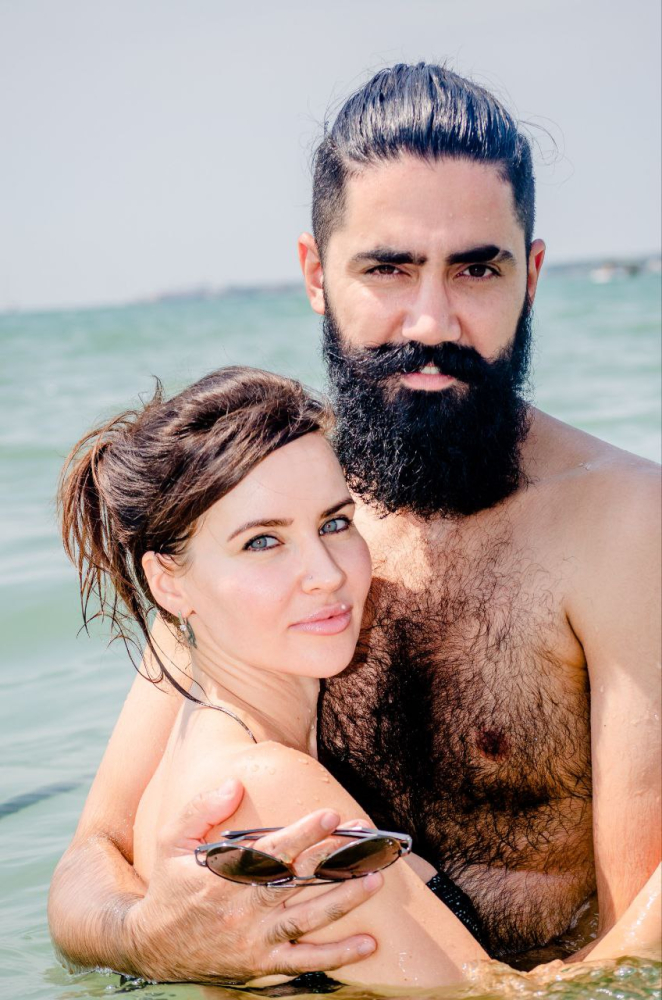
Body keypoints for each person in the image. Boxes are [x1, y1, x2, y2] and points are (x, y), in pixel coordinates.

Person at [48, 63, 661, 983]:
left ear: (531, 276)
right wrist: (148, 937)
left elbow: (634, 953)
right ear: (316, 274)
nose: (432, 318)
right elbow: (91, 860)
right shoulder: (260, 519)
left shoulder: (625, 527)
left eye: (476, 268)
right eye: (388, 268)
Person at [56, 365, 488, 990]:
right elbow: (481, 994)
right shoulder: (267, 788)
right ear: (168, 583)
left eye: (334, 523)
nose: (327, 574)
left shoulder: (190, 743)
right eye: (262, 542)